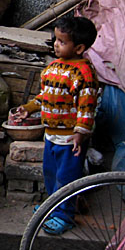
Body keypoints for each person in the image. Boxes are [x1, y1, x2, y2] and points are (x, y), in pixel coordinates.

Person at [14, 16, 99, 235]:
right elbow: (46, 95)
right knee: (50, 173)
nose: (56, 45)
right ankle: (52, 206)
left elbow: (86, 106)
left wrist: (80, 132)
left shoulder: (84, 73)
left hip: (70, 138)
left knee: (67, 177)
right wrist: (29, 108)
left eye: (62, 42)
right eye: (56, 40)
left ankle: (65, 215)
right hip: (51, 135)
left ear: (79, 48)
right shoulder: (54, 67)